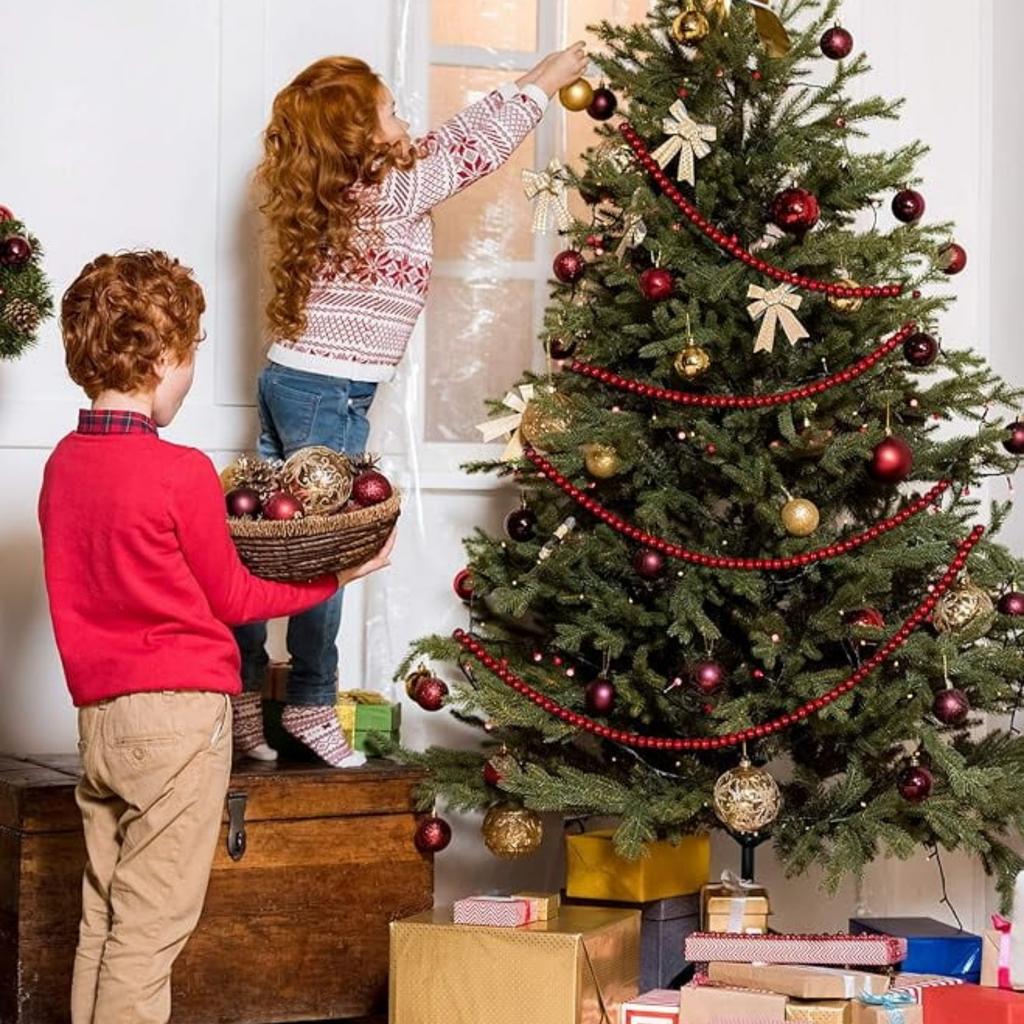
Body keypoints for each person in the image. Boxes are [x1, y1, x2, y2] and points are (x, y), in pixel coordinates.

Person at [38, 250, 393, 1024]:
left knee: (102, 922)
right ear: (164, 356)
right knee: (151, 932)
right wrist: (336, 579)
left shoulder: (63, 467)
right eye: (191, 355)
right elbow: (234, 597)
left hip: (101, 722)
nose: (191, 373)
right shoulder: (180, 472)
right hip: (176, 720)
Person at [235, 42, 589, 765]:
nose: (404, 116)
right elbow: (471, 151)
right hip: (327, 394)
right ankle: (307, 702)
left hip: (289, 379)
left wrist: (530, 79)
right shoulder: (392, 192)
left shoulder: (347, 187)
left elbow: (454, 139)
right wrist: (547, 82)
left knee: (260, 549)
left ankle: (241, 700)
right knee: (320, 556)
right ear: (361, 137)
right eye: (389, 110)